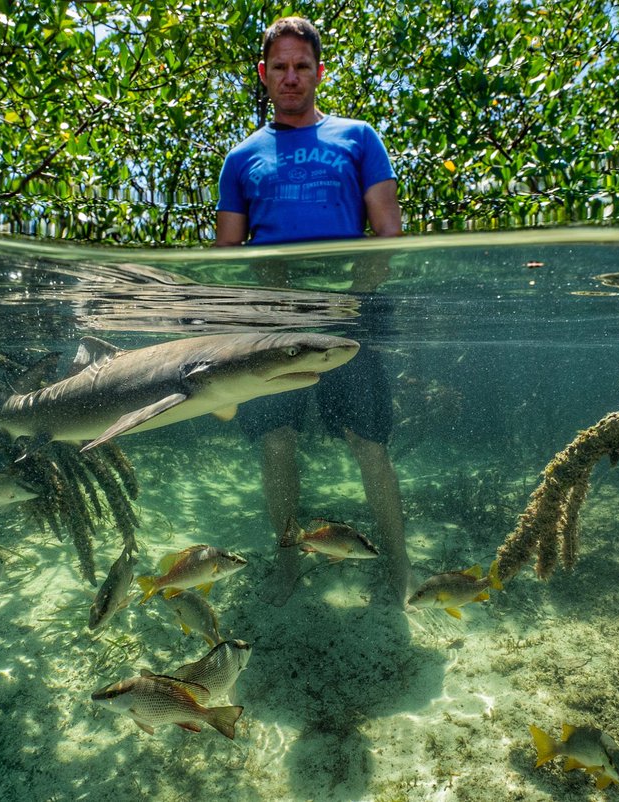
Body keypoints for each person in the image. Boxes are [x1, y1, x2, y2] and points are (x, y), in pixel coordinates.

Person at [214, 16, 409, 608]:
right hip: (270, 325)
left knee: (368, 443)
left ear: (319, 72)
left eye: (302, 66)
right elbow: (228, 257)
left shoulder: (358, 138)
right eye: (280, 67)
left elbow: (389, 231)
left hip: (348, 318)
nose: (291, 77)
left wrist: (353, 304)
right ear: (264, 75)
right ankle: (285, 556)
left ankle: (397, 564)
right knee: (275, 441)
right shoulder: (241, 158)